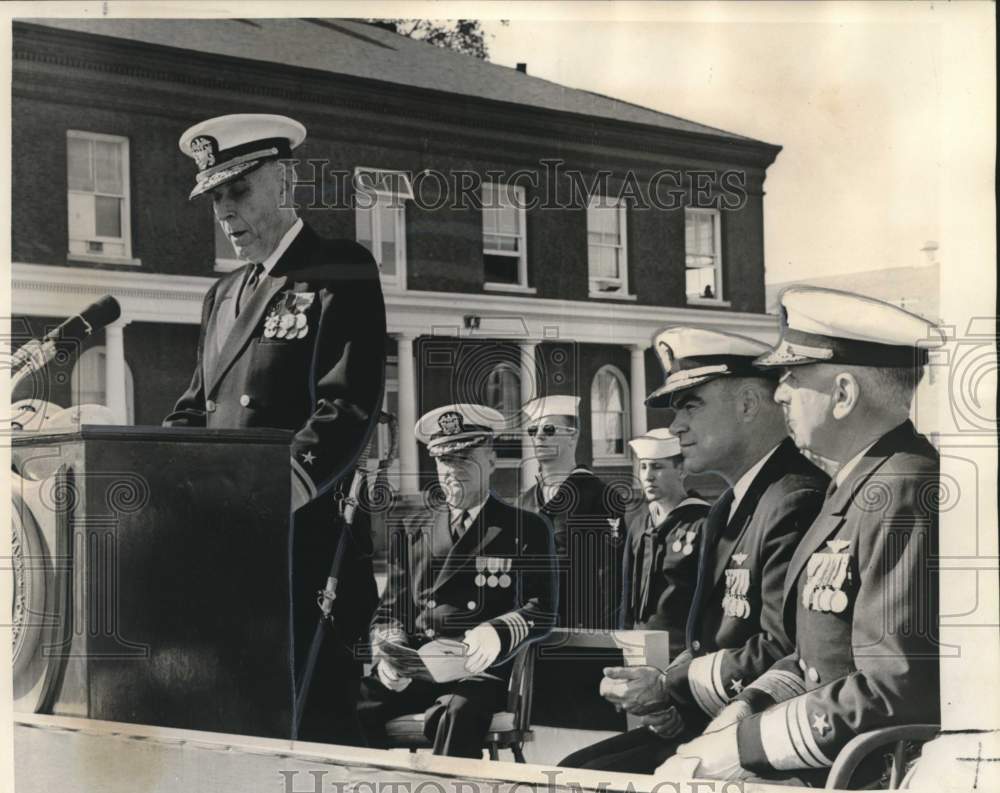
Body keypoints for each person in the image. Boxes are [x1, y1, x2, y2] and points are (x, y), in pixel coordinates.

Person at [657, 288, 943, 786]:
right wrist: (742, 714)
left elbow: (895, 689)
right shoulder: (859, 484)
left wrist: (745, 749)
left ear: (844, 394)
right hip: (827, 762)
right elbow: (816, 657)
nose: (780, 392)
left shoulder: (902, 489)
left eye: (792, 377)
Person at [163, 114, 386, 744]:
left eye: (238, 192)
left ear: (283, 182)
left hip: (304, 549)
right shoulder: (221, 294)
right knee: (237, 729)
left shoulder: (339, 267)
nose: (225, 212)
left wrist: (266, 496)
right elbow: (192, 409)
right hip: (228, 550)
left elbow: (347, 405)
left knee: (313, 734)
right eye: (215, 199)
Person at [561, 327, 827, 773]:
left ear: (746, 404)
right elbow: (711, 639)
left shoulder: (794, 498)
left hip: (761, 738)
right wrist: (665, 694)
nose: (676, 425)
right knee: (570, 771)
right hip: (711, 719)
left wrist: (669, 684)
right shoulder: (732, 504)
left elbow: (782, 648)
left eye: (691, 406)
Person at [359, 404, 557, 758]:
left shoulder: (525, 528)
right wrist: (392, 655)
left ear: (492, 461)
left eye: (464, 459)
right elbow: (390, 610)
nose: (451, 471)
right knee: (351, 705)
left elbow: (542, 608)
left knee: (459, 712)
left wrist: (496, 631)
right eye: (443, 461)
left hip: (480, 673)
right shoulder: (412, 527)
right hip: (420, 669)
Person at [517, 395, 625, 630]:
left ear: (573, 436)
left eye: (549, 429)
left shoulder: (599, 496)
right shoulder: (524, 502)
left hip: (583, 627)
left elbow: (611, 575)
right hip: (532, 630)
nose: (539, 437)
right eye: (533, 430)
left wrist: (602, 636)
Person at [620, 428, 710, 659]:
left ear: (681, 469)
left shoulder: (704, 522)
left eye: (657, 467)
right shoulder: (639, 523)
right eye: (643, 466)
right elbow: (627, 591)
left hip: (683, 652)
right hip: (637, 647)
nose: (648, 476)